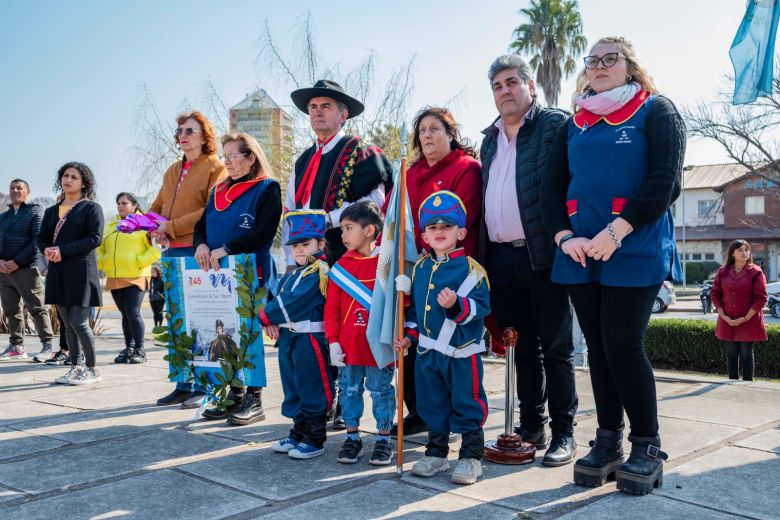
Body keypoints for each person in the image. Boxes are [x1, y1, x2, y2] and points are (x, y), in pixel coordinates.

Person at [541, 36, 686, 494]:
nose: (600, 66)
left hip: (634, 245)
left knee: (623, 345)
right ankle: (608, 441)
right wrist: (566, 237)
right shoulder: (574, 124)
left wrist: (616, 232)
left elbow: (666, 182)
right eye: (593, 60)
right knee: (599, 352)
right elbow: (551, 189)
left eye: (611, 59)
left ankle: (647, 444)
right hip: (582, 251)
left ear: (630, 66)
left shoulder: (657, 110)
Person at [480, 54, 578, 466]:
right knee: (521, 348)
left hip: (545, 255)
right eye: (498, 86)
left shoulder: (554, 125)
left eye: (512, 82)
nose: (505, 91)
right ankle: (531, 424)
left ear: (530, 85)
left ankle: (564, 433)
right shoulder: (489, 139)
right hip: (502, 259)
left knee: (555, 347)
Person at [286, 79, 392, 430]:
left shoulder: (361, 152)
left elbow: (373, 205)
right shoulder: (303, 159)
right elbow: (292, 209)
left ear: (343, 114)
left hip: (350, 257)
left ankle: (362, 412)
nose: (317, 112)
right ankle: (325, 402)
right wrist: (295, 254)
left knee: (350, 327)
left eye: (326, 106)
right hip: (310, 260)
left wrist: (326, 221)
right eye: (313, 107)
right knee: (319, 330)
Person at [383, 107, 482, 436]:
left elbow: (464, 219)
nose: (426, 135)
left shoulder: (466, 168)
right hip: (413, 270)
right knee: (413, 339)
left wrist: (438, 260)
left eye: (434, 129)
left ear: (450, 133)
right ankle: (420, 410)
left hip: (450, 269)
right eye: (422, 130)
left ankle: (460, 418)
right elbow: (392, 218)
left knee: (450, 345)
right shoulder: (408, 174)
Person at [394, 191, 490, 486]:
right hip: (427, 353)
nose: (439, 232)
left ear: (460, 232)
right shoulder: (420, 268)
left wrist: (456, 306)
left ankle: (471, 457)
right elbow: (416, 313)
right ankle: (436, 453)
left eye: (446, 227)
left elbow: (481, 307)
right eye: (432, 228)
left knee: (466, 403)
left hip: (460, 353)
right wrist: (409, 336)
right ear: (423, 234)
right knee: (431, 403)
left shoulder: (472, 270)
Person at [193, 132, 282, 425]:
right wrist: (202, 246)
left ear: (251, 157)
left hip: (250, 274)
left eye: (233, 156)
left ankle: (254, 399)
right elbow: (200, 227)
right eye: (225, 156)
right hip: (217, 278)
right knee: (225, 335)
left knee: (249, 336)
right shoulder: (218, 191)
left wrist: (227, 249)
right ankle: (232, 394)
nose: (227, 162)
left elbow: (264, 231)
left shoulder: (267, 188)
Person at [151, 111, 227, 409]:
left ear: (205, 135)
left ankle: (204, 385)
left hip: (195, 251)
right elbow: (157, 206)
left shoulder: (215, 167)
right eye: (180, 131)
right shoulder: (172, 170)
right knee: (176, 318)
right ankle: (183, 382)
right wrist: (151, 227)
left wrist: (168, 227)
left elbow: (208, 210)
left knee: (200, 318)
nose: (183, 135)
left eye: (190, 131)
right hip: (170, 252)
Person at [324, 201, 395, 466]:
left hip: (378, 347)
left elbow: (397, 307)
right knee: (349, 391)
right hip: (348, 347)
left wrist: (405, 288)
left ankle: (383, 440)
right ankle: (352, 438)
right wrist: (332, 342)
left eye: (348, 228)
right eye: (342, 229)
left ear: (369, 230)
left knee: (381, 393)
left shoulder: (388, 263)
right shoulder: (341, 267)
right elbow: (331, 309)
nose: (342, 235)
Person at [261, 210, 334, 460]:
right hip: (289, 337)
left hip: (310, 339)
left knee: (311, 385)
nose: (300, 250)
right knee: (293, 385)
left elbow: (292, 302)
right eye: (295, 245)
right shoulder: (294, 273)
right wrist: (273, 323)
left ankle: (315, 438)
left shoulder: (319, 271)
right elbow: (277, 297)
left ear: (321, 244)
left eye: (306, 244)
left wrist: (265, 317)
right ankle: (299, 432)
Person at [38, 162, 104, 385]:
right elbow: (42, 237)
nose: (68, 180)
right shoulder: (50, 211)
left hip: (81, 270)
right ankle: (75, 366)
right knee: (66, 322)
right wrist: (47, 249)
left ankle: (92, 368)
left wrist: (62, 250)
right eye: (65, 176)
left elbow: (95, 238)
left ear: (83, 182)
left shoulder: (91, 208)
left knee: (79, 321)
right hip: (57, 271)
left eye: (74, 177)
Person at [97, 192, 161, 364]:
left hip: (136, 275)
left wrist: (140, 261)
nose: (120, 206)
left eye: (124, 203)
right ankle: (130, 348)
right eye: (118, 203)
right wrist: (103, 262)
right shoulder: (111, 225)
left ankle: (141, 349)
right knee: (125, 314)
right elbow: (100, 249)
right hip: (115, 275)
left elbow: (156, 248)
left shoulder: (144, 224)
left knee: (133, 312)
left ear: (134, 205)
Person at [0, 179, 54, 362]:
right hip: (4, 271)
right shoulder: (3, 216)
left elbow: (37, 240)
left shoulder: (35, 211)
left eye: (19, 188)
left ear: (28, 192)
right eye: (12, 188)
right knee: (11, 309)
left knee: (37, 307)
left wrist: (16, 261)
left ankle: (48, 345)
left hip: (26, 269)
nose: (15, 190)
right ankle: (16, 346)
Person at [711, 240, 768, 381]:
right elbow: (715, 294)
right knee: (731, 352)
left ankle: (747, 384)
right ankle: (732, 382)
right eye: (740, 250)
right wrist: (724, 316)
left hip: (749, 320)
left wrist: (744, 318)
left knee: (746, 353)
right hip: (727, 320)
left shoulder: (755, 272)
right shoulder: (723, 272)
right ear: (732, 253)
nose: (744, 253)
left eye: (746, 249)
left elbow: (761, 298)